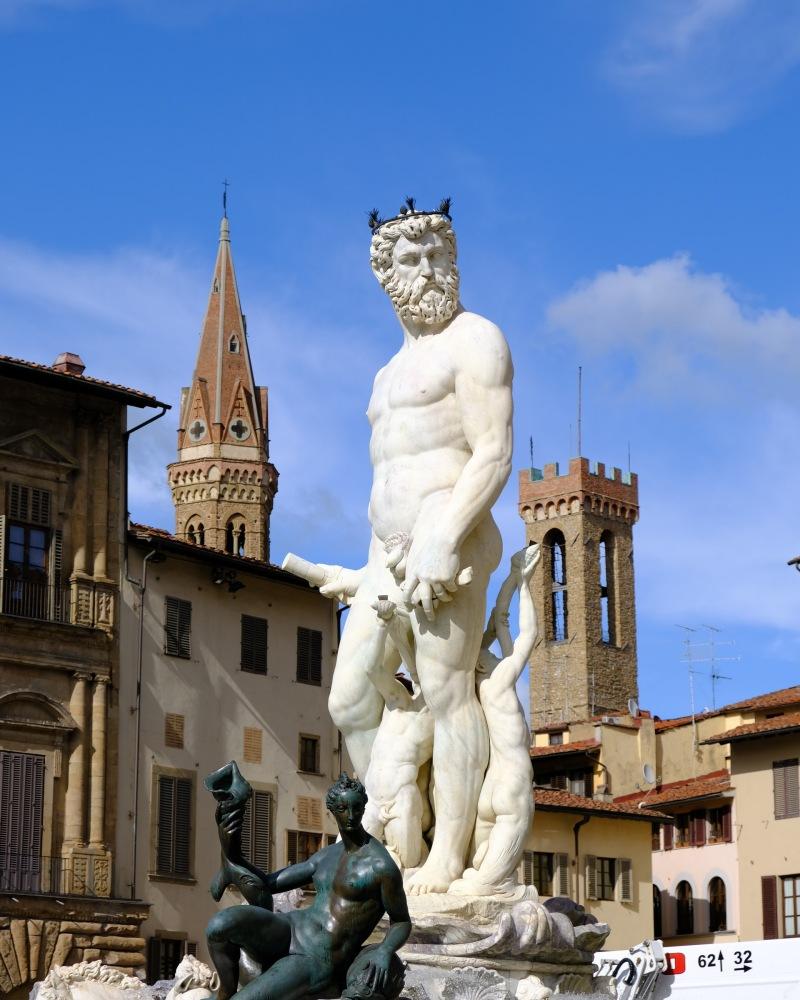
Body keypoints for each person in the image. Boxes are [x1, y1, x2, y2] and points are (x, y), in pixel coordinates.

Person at [319, 204, 513, 894]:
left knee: (446, 692)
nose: (429, 270)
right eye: (411, 259)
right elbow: (386, 478)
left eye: (438, 255)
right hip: (385, 551)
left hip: (451, 539)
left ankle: (448, 858)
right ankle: (401, 828)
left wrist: (442, 533)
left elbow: (494, 452)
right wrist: (370, 563)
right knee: (349, 701)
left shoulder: (477, 339)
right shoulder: (383, 376)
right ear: (384, 275)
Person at [206, 773, 411, 1000]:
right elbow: (268, 884)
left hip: (316, 958)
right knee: (219, 926)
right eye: (343, 808)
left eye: (356, 808)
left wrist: (385, 949)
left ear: (364, 808)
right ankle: (224, 993)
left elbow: (401, 921)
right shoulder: (327, 855)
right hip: (290, 928)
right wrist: (231, 852)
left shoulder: (381, 865)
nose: (351, 815)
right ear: (333, 810)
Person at [451, 544, 540, 897]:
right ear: (483, 663)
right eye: (485, 652)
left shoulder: (476, 688)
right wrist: (528, 585)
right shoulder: (501, 680)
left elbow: (499, 620)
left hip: (488, 791)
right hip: (514, 784)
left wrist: (513, 579)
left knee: (472, 879)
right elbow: (527, 637)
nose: (490, 650)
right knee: (488, 887)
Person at [361, 598, 434, 870]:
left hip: (401, 798)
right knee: (345, 863)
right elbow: (371, 669)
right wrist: (383, 626)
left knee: (407, 866)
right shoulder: (396, 701)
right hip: (371, 800)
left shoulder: (437, 715)